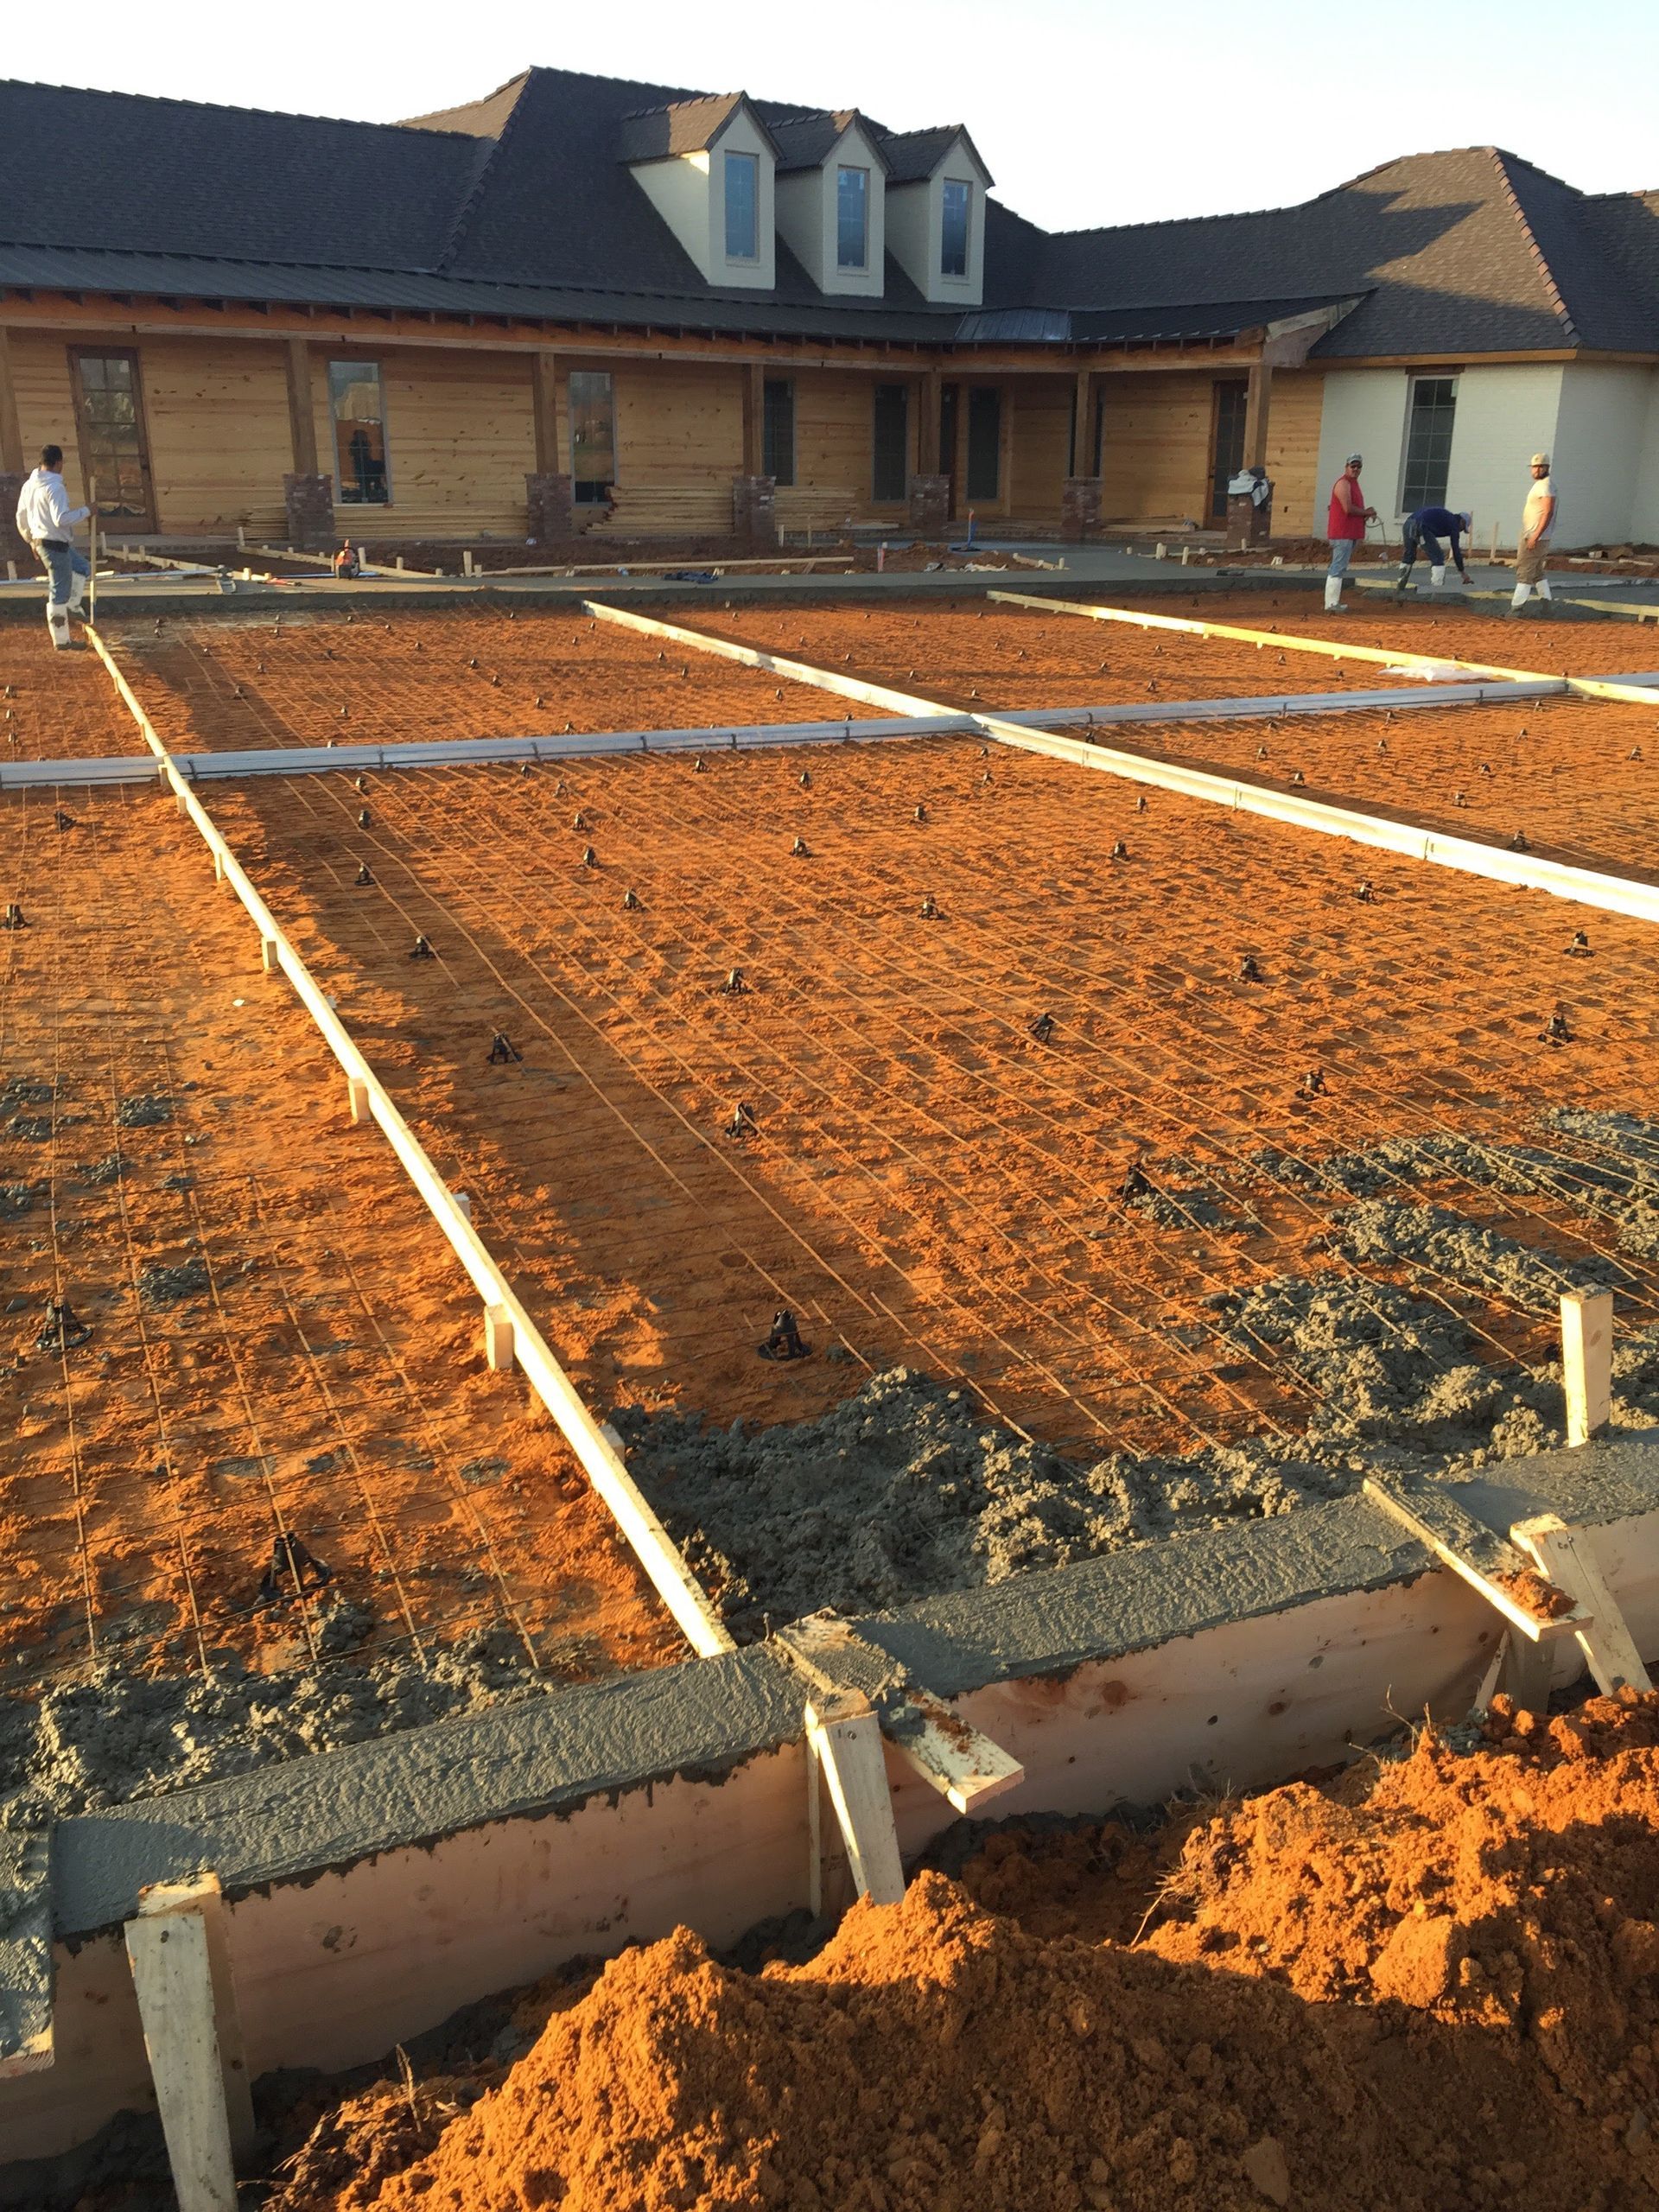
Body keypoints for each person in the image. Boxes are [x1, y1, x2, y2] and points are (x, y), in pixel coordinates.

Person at [14, 444, 92, 651]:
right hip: (54, 545)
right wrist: (87, 511)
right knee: (58, 592)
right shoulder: (55, 487)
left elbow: (21, 517)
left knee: (82, 567)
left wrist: (31, 540)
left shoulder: (29, 485)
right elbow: (61, 519)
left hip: (45, 543)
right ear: (58, 463)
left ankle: (72, 605)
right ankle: (62, 640)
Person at [1324, 453, 1376, 612]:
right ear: (1346, 467)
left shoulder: (1353, 484)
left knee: (1340, 566)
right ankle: (1331, 604)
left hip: (1349, 533)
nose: (1356, 469)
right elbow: (1348, 508)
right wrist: (1366, 512)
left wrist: (1365, 514)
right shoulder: (1343, 483)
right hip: (1342, 533)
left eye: (1358, 466)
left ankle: (1333, 602)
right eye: (1353, 466)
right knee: (1338, 566)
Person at [1511, 453, 1558, 613]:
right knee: (1537, 572)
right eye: (1534, 467)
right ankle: (1546, 605)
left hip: (1535, 536)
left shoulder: (1545, 486)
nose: (1536, 470)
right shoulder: (1543, 485)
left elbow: (1548, 512)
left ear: (1546, 468)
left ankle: (1517, 609)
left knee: (1524, 571)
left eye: (1539, 467)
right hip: (1536, 535)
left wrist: (1535, 536)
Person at [1395, 504, 1473, 592]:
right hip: (1420, 526)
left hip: (1408, 524)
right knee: (1438, 557)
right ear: (1462, 521)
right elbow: (1456, 550)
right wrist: (1462, 571)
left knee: (1408, 556)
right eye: (1462, 528)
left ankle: (1400, 587)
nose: (1460, 531)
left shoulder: (1447, 516)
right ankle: (1437, 590)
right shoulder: (1454, 524)